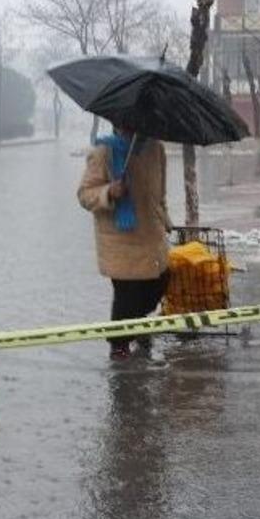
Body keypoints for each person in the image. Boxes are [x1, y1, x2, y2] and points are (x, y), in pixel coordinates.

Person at [77, 125, 171, 360]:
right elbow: (85, 194)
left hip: (151, 234)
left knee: (159, 284)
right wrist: (109, 191)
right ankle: (118, 345)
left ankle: (137, 324)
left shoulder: (156, 148)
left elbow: (160, 193)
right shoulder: (103, 151)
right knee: (127, 294)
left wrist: (166, 221)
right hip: (120, 238)